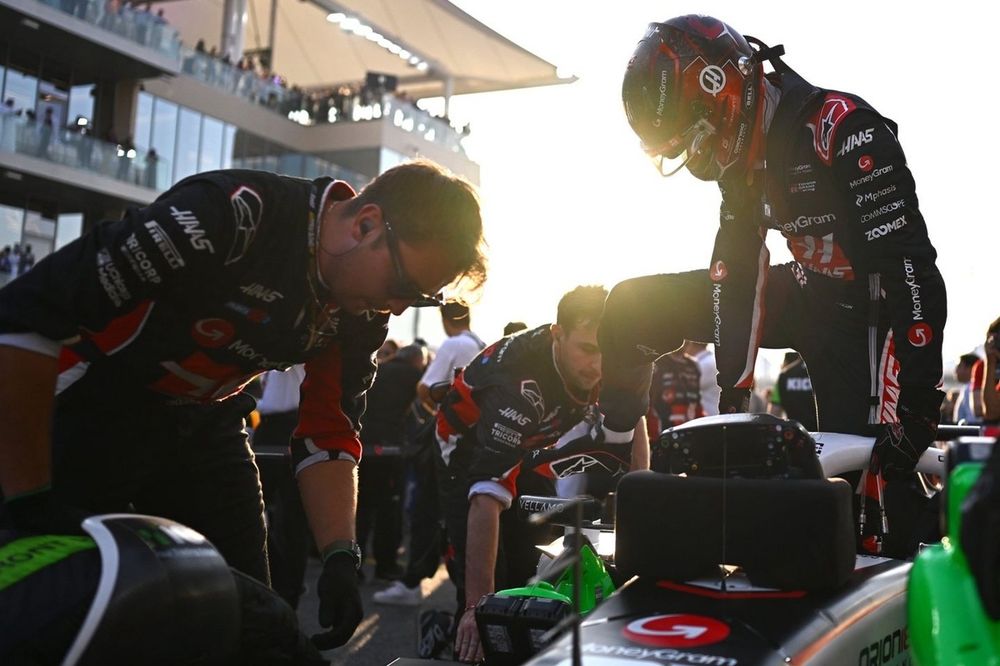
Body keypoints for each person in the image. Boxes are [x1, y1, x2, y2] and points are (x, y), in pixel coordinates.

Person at [0, 159, 486, 652]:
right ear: (366, 224)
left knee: (259, 627)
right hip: (91, 406)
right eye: (403, 287)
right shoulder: (232, 215)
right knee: (59, 612)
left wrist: (341, 555)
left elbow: (330, 430)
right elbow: (26, 317)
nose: (398, 308)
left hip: (208, 418)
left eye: (418, 299)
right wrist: (28, 499)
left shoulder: (361, 310)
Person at [595, 14, 946, 533]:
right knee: (630, 308)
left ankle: (941, 534)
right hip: (806, 291)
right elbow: (736, 273)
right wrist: (732, 397)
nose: (699, 159)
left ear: (720, 92)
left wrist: (919, 402)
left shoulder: (843, 129)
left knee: (861, 503)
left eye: (696, 138)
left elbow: (909, 265)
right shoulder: (739, 162)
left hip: (871, 315)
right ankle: (607, 464)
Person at [440, 285, 648, 663]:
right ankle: (460, 636)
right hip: (467, 457)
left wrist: (638, 504)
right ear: (558, 334)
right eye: (587, 349)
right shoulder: (518, 384)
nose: (598, 365)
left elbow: (634, 421)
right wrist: (476, 609)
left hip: (530, 447)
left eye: (605, 350)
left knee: (536, 576)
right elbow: (485, 496)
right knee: (491, 597)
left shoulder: (621, 350)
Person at [374, 301, 485, 606]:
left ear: (445, 318)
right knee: (462, 514)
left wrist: (435, 410)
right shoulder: (481, 345)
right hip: (474, 442)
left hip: (448, 440)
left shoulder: (454, 344)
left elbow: (424, 388)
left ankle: (413, 582)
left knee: (426, 510)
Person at [356, 343, 426, 581]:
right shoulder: (413, 375)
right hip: (391, 449)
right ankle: (385, 565)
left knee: (362, 509)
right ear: (417, 361)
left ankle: (353, 565)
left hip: (364, 446)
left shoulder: (379, 368)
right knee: (389, 509)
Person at [646, 347, 705, 440]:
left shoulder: (694, 365)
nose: (685, 343)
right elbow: (645, 401)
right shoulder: (657, 362)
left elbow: (697, 404)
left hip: (689, 433)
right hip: (660, 435)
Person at [768, 351, 818, 431]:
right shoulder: (825, 372)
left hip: (794, 433)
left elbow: (774, 412)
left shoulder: (784, 375)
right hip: (825, 435)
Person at [953, 353, 982, 425]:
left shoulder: (971, 389)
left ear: (969, 368)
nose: (955, 370)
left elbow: (973, 420)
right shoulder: (966, 388)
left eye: (959, 366)